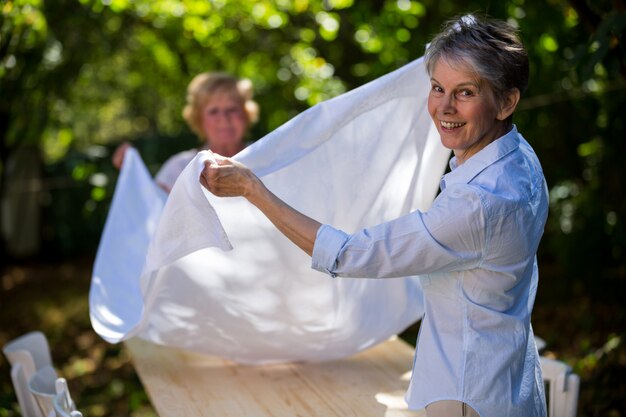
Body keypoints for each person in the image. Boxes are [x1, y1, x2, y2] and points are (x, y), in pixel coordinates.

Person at [199, 14, 548, 417]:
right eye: (437, 88)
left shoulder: (478, 204)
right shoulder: (519, 157)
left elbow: (349, 254)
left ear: (506, 102)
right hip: (508, 381)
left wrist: (252, 189)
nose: (444, 107)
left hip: (468, 394)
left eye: (465, 92)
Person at [112, 72, 259, 193]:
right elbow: (153, 210)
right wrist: (131, 172)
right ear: (198, 118)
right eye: (213, 111)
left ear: (247, 114)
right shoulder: (180, 167)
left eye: (232, 109)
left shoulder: (267, 156)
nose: (224, 119)